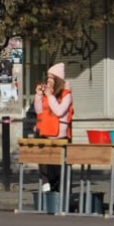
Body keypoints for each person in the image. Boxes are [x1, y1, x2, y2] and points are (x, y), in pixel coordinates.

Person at [34, 62, 73, 196]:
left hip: (60, 137)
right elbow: (39, 111)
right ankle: (48, 191)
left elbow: (59, 111)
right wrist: (39, 95)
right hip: (47, 133)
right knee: (46, 166)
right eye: (48, 78)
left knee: (59, 170)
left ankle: (62, 195)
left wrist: (50, 96)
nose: (48, 81)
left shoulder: (66, 94)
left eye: (51, 78)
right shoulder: (48, 95)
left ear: (58, 80)